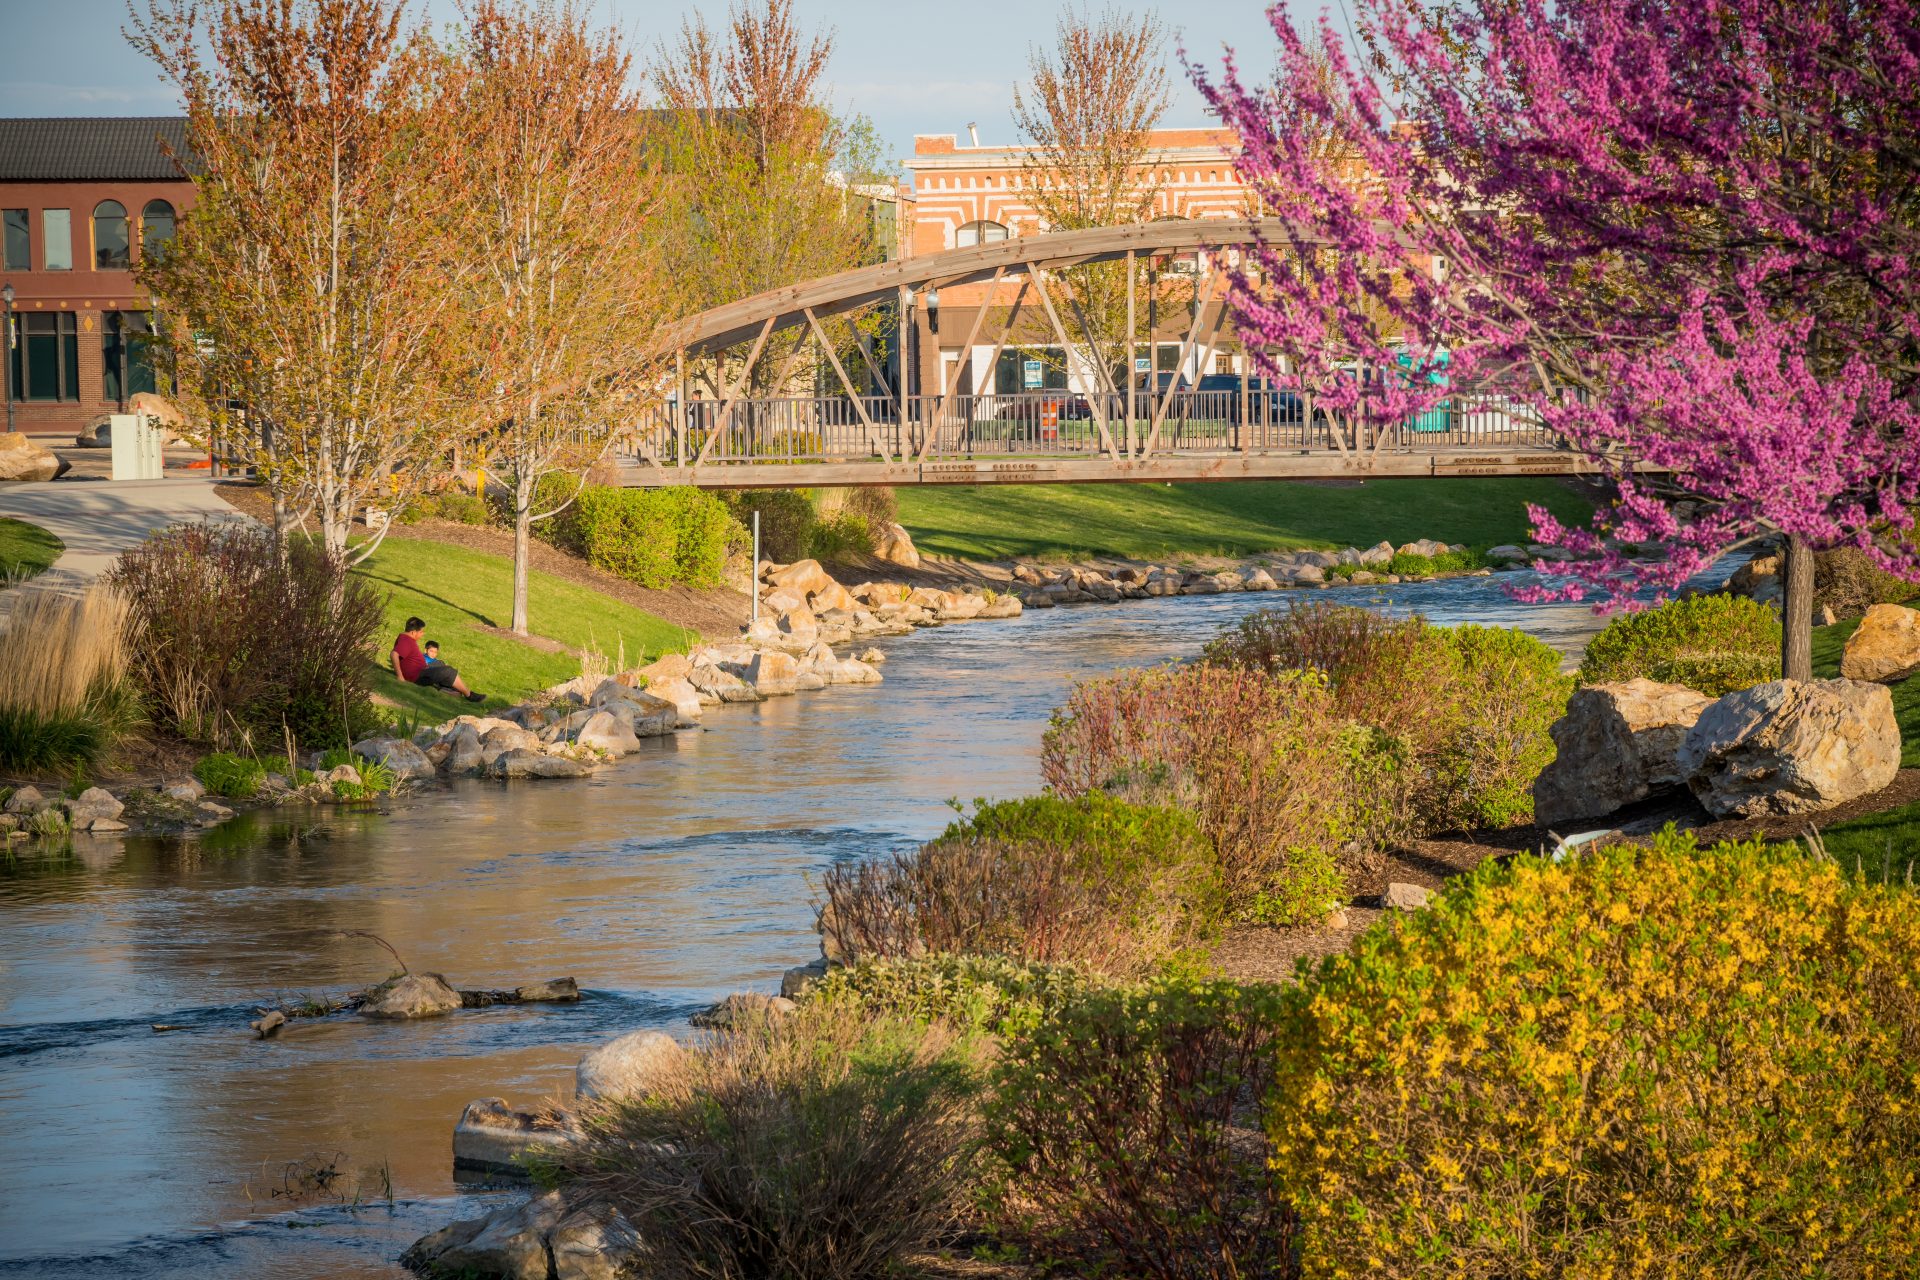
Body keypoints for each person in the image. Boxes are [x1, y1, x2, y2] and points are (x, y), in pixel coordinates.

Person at [392, 617, 483, 702]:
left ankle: (449, 689)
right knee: (448, 671)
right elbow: (394, 654)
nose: (423, 634)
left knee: (440, 664)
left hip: (422, 669)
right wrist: (400, 677)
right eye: (421, 632)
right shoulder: (406, 641)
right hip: (418, 676)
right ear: (413, 632)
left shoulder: (405, 638)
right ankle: (469, 695)